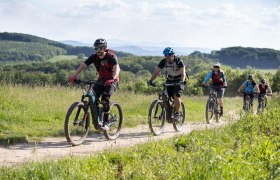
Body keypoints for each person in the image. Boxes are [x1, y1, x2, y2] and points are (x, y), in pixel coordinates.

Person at [69, 38, 120, 131]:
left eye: (99, 48)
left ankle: (105, 122)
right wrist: (74, 75)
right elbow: (83, 66)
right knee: (93, 97)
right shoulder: (94, 57)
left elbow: (117, 68)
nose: (97, 50)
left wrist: (113, 78)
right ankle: (98, 119)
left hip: (112, 80)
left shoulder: (111, 57)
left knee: (105, 98)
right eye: (96, 48)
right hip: (101, 80)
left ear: (104, 48)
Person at [147, 47, 186, 120]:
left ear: (172, 55)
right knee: (166, 96)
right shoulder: (163, 61)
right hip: (170, 79)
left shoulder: (178, 61)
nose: (167, 57)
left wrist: (181, 81)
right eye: (165, 55)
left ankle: (177, 114)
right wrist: (151, 80)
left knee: (176, 96)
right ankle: (168, 114)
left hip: (179, 80)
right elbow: (156, 72)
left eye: (168, 55)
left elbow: (183, 73)